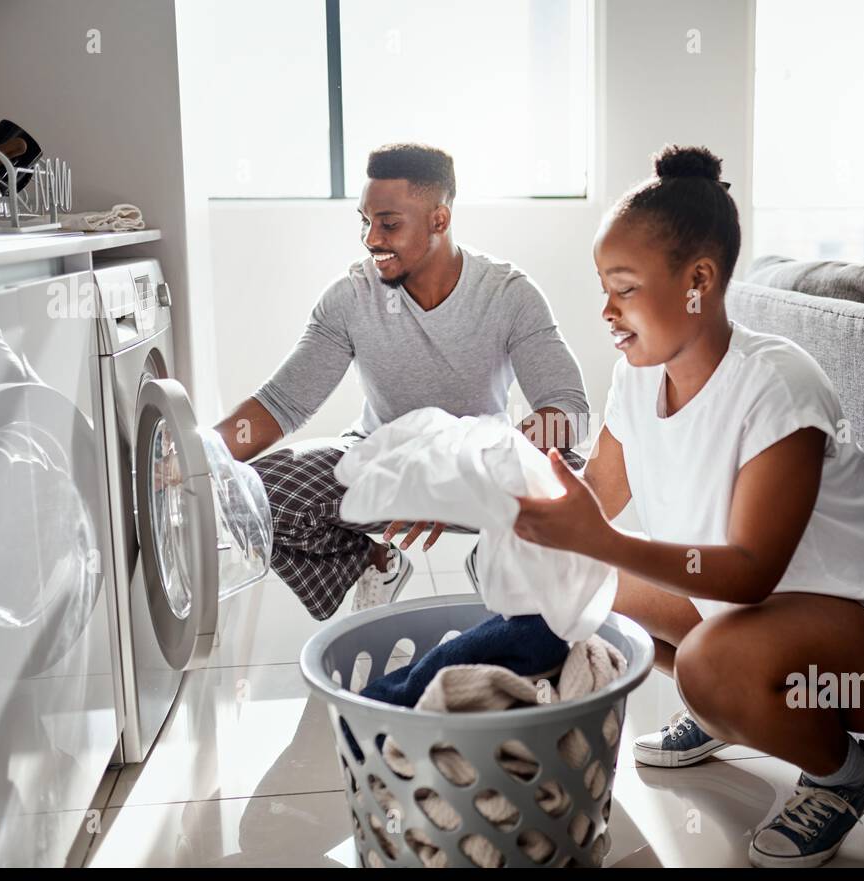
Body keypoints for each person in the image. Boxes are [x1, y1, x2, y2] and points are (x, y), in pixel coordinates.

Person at [510, 145, 864, 867]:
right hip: (758, 621)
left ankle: (840, 777)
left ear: (698, 282)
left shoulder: (776, 385)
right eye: (602, 287)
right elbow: (595, 495)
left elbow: (749, 572)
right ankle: (733, 708)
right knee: (583, 584)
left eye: (623, 288)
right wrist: (487, 496)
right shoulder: (634, 377)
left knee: (707, 664)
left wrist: (602, 541)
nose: (605, 310)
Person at [213, 143, 588, 618]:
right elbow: (281, 404)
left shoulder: (508, 294)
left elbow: (567, 410)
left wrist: (451, 472)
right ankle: (375, 562)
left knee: (575, 474)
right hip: (379, 459)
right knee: (256, 491)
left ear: (439, 220)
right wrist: (202, 453)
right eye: (365, 222)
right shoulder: (351, 297)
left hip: (482, 467)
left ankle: (498, 558)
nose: (371, 238)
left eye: (388, 224)